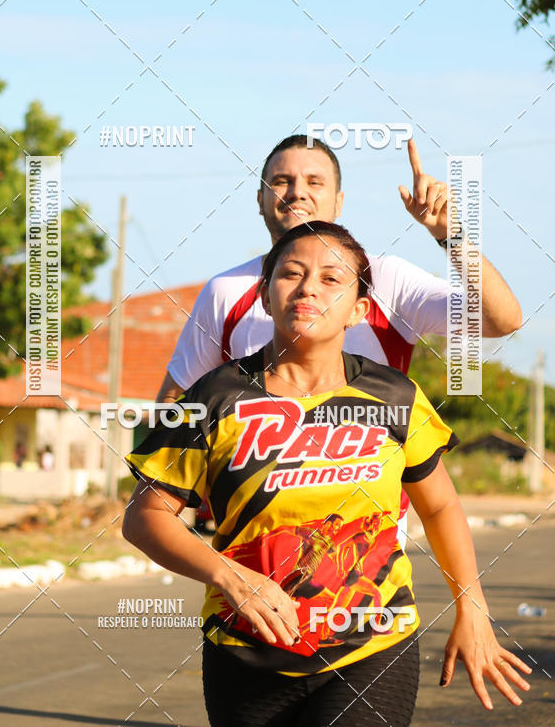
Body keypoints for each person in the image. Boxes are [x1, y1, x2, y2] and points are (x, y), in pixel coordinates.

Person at [123, 221, 531, 727]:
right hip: (245, 652)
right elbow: (144, 518)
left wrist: (472, 609)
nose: (309, 287)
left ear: (360, 310)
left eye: (332, 279)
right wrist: (231, 578)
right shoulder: (213, 397)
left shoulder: (395, 397)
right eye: (291, 274)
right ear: (266, 299)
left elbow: (441, 505)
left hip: (373, 646)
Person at [156, 134, 522, 544]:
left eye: (315, 181)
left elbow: (501, 319)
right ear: (260, 199)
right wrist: (217, 485)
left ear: (339, 201)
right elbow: (175, 403)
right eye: (281, 180)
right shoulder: (226, 291)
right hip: (252, 556)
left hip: (368, 557)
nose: (297, 191)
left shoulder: (386, 281)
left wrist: (450, 236)